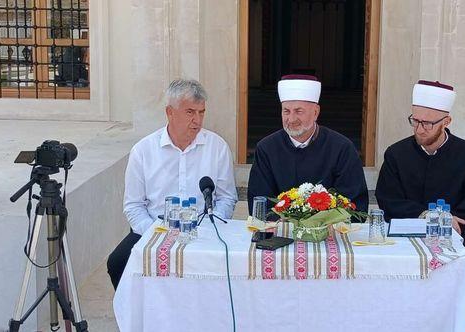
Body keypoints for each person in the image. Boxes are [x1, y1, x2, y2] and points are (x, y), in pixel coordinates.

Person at [375, 80, 465, 331]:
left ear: (446, 122)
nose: (419, 128)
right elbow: (388, 200)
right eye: (415, 121)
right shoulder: (396, 154)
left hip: (456, 245)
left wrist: (446, 223)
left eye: (427, 123)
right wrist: (426, 215)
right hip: (403, 243)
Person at [107, 79, 238, 289]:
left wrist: (207, 230)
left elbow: (226, 198)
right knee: (117, 263)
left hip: (204, 230)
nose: (197, 120)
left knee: (230, 265)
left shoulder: (217, 147)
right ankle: (138, 318)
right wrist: (156, 234)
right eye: (190, 112)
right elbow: (133, 205)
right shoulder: (143, 151)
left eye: (201, 112)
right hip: (154, 230)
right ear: (170, 112)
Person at [247, 74, 368, 216]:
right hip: (280, 234)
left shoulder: (342, 148)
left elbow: (354, 205)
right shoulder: (266, 148)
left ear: (316, 112)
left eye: (299, 111)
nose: (291, 119)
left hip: (329, 234)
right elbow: (260, 203)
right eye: (286, 111)